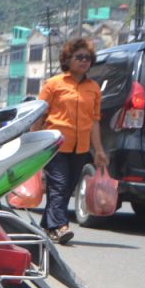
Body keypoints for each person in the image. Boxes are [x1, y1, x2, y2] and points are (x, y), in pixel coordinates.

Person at [36, 37, 108, 244]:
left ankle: (48, 225)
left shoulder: (93, 88)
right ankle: (61, 226)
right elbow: (39, 114)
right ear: (68, 59)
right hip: (56, 143)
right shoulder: (53, 84)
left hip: (81, 146)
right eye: (79, 57)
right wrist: (33, 142)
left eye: (88, 58)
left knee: (67, 187)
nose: (84, 61)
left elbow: (95, 121)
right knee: (59, 184)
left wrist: (100, 150)